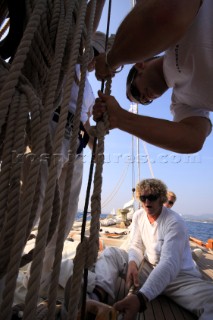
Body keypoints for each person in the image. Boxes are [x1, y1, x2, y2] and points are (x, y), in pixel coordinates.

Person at [92, 0, 213, 154]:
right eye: (145, 102)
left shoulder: (171, 43)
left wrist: (112, 59)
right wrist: (121, 119)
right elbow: (193, 139)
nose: (143, 99)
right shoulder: (182, 102)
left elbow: (168, 12)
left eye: (135, 92)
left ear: (140, 65)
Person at [88, 179, 213, 320]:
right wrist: (133, 262)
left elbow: (169, 263)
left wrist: (140, 298)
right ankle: (96, 296)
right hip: (149, 269)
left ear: (161, 199)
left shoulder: (174, 222)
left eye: (152, 197)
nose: (147, 202)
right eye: (143, 198)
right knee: (111, 253)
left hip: (179, 279)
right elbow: (136, 244)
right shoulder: (138, 216)